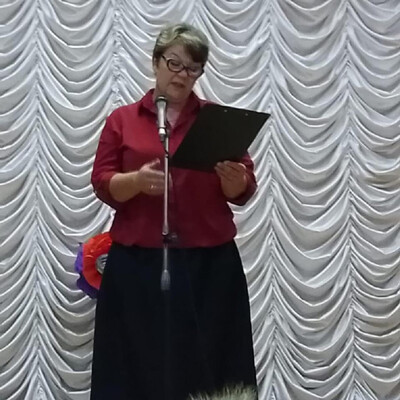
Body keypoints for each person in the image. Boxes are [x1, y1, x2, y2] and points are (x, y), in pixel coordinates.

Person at [90, 22, 258, 400]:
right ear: (156, 62)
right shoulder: (122, 120)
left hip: (209, 265)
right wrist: (135, 181)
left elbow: (244, 189)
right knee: (136, 362)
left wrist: (236, 182)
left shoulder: (218, 121)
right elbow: (101, 182)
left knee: (210, 360)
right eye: (174, 63)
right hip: (137, 264)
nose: (183, 75)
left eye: (193, 68)